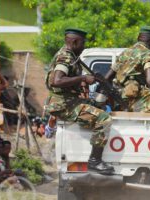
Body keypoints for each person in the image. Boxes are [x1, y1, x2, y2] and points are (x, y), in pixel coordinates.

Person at [45, 28, 114, 174]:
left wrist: (80, 83)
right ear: (75, 42)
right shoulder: (66, 56)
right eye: (83, 43)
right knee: (104, 119)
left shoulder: (69, 55)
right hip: (64, 104)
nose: (84, 46)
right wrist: (82, 78)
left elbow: (65, 79)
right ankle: (95, 161)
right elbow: (57, 80)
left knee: (98, 105)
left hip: (69, 101)